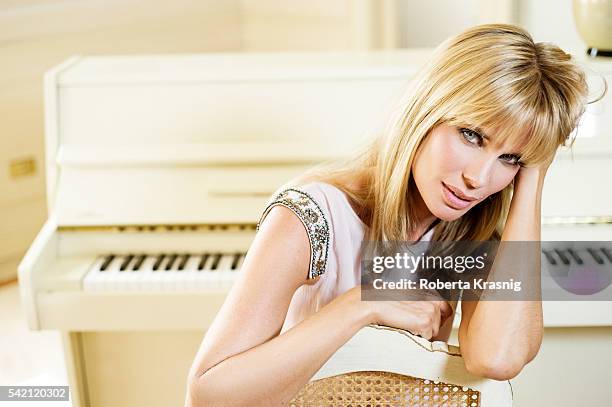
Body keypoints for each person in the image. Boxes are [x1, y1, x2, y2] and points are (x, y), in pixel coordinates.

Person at [185, 24, 593, 407]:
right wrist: (362, 303)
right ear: (428, 110)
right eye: (472, 135)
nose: (478, 178)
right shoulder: (313, 216)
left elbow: (497, 359)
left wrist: (536, 170)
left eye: (509, 158)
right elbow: (207, 394)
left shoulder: (473, 236)